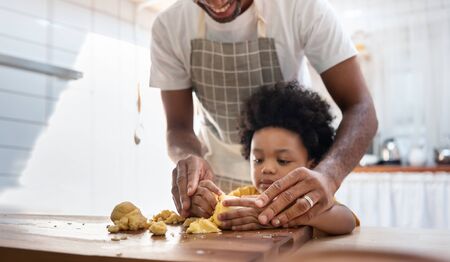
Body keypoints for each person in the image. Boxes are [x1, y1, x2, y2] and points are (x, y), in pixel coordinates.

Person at [150, 0, 378, 227]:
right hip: (215, 185)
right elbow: (178, 128)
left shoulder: (301, 8)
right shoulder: (169, 26)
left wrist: (327, 176)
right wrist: (189, 165)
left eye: (281, 159)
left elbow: (361, 107)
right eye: (258, 159)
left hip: (299, 186)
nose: (217, 2)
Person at [215, 82, 359, 234]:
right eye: (258, 160)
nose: (267, 169)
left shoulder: (312, 197)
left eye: (283, 160)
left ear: (311, 165)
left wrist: (292, 215)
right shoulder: (246, 196)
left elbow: (347, 221)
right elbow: (221, 211)